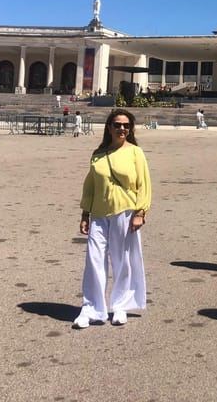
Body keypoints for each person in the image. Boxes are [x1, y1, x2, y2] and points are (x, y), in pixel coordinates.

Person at [74, 109, 152, 329]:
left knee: (122, 259)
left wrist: (140, 212)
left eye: (126, 125)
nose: (122, 129)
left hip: (125, 211)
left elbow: (143, 184)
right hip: (99, 212)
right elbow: (90, 186)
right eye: (117, 125)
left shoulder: (135, 152)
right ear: (109, 127)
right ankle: (92, 308)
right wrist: (85, 213)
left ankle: (120, 305)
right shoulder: (98, 154)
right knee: (94, 259)